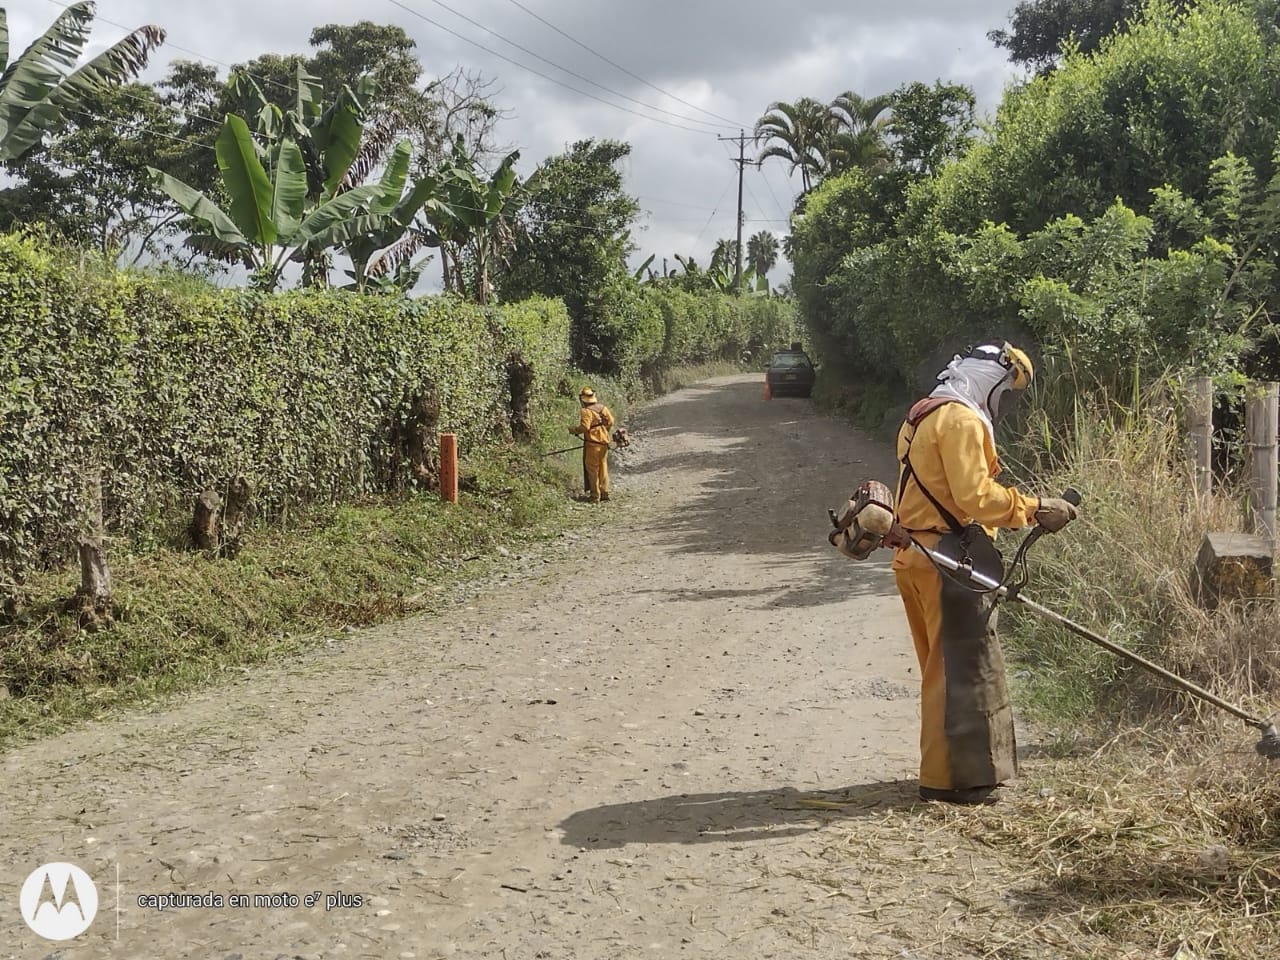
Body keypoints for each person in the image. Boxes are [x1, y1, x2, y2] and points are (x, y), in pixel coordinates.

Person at [890, 342, 1077, 805]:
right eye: (1008, 390)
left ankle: (948, 773)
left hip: (916, 554)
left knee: (941, 672)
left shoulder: (924, 413)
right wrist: (1034, 508)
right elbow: (975, 498)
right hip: (948, 562)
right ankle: (953, 782)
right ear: (990, 377)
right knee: (962, 672)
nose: (1006, 401)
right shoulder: (963, 420)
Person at [569, 386, 615, 503]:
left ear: (583, 399)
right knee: (603, 467)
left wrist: (573, 430)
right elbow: (611, 422)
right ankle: (604, 492)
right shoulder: (602, 408)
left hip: (592, 445)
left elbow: (584, 427)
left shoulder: (586, 411)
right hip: (604, 443)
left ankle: (595, 495)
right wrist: (604, 431)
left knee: (593, 469)